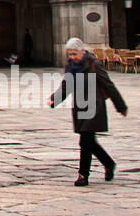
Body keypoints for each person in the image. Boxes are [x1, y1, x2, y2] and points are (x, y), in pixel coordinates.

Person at [49, 37, 127, 186]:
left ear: (82, 51)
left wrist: (121, 106)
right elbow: (66, 86)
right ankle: (109, 163)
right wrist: (55, 99)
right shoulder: (71, 66)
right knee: (90, 142)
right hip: (79, 106)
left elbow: (108, 85)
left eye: (74, 54)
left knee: (85, 141)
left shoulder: (94, 64)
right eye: (70, 54)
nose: (72, 57)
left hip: (94, 107)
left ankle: (83, 175)